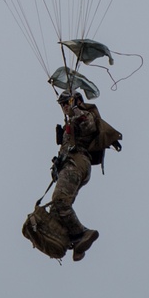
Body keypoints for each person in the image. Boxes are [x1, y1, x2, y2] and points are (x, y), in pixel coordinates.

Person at [49, 90, 123, 261]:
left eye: (67, 103)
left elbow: (89, 125)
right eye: (62, 105)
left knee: (60, 201)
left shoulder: (83, 115)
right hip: (70, 164)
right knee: (56, 210)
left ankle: (83, 233)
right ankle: (76, 243)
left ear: (76, 101)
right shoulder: (69, 126)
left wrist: (74, 110)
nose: (64, 107)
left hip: (78, 162)